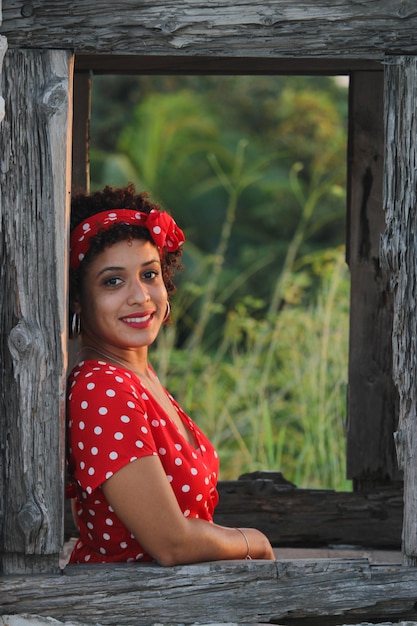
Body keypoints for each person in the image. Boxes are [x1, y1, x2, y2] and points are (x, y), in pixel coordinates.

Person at [66, 184, 275, 566]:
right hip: (128, 608)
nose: (140, 296)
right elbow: (170, 542)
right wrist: (252, 540)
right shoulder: (101, 388)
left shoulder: (138, 375)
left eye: (149, 274)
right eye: (113, 281)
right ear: (79, 298)